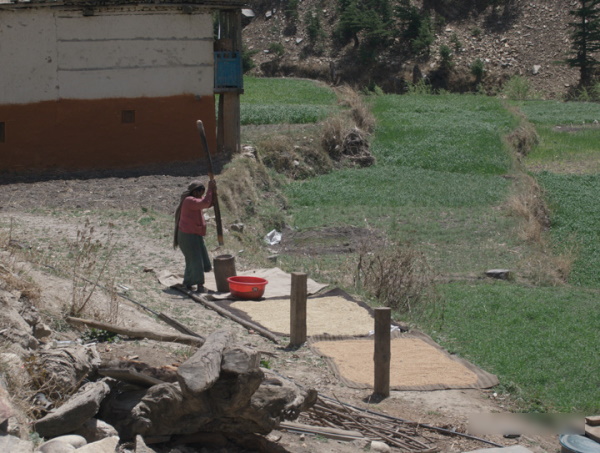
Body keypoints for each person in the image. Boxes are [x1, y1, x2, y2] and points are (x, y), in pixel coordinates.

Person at [173, 179, 216, 293]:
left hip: (194, 234)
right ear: (195, 192)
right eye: (201, 191)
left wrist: (213, 193)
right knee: (196, 260)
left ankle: (188, 283)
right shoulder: (189, 201)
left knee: (194, 259)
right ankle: (199, 285)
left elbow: (208, 203)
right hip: (187, 236)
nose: (202, 194)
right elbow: (205, 203)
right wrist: (211, 189)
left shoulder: (195, 200)